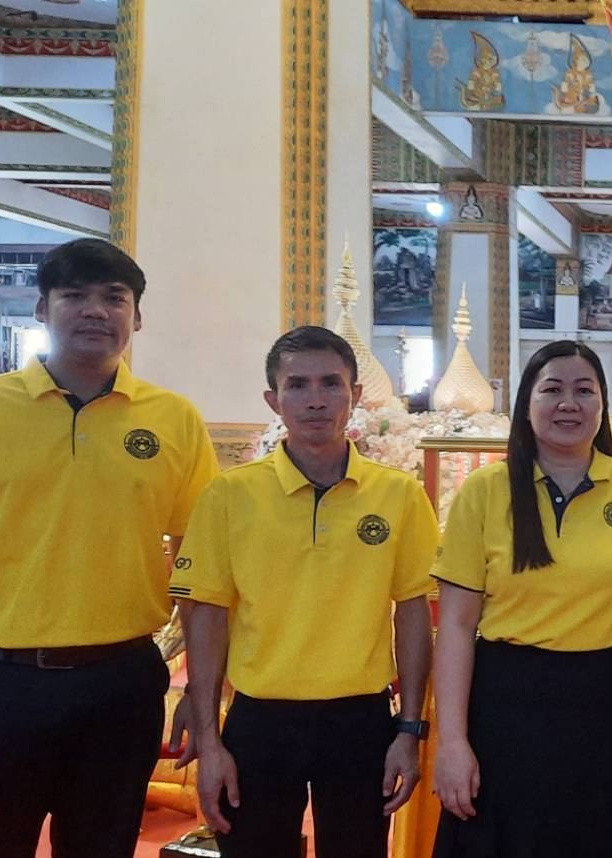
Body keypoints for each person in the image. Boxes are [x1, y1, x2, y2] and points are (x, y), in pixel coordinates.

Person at [0, 238, 220, 856]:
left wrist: (202, 691)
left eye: (114, 298)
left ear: (137, 315)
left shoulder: (174, 420)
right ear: (41, 308)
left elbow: (199, 574)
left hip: (120, 686)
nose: (96, 310)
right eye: (74, 296)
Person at [173, 326, 436, 857]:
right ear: (273, 399)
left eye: (330, 383)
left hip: (360, 719)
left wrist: (409, 730)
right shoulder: (231, 494)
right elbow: (206, 617)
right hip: (260, 719)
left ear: (354, 395)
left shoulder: (399, 495)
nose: (315, 399)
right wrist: (209, 737)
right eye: (297, 385)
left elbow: (413, 613)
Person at [430, 341, 612, 856]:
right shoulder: (485, 490)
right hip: (507, 703)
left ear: (603, 404)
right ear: (526, 402)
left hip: (605, 703)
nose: (569, 404)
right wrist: (452, 742)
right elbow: (456, 626)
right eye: (552, 390)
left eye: (585, 391)